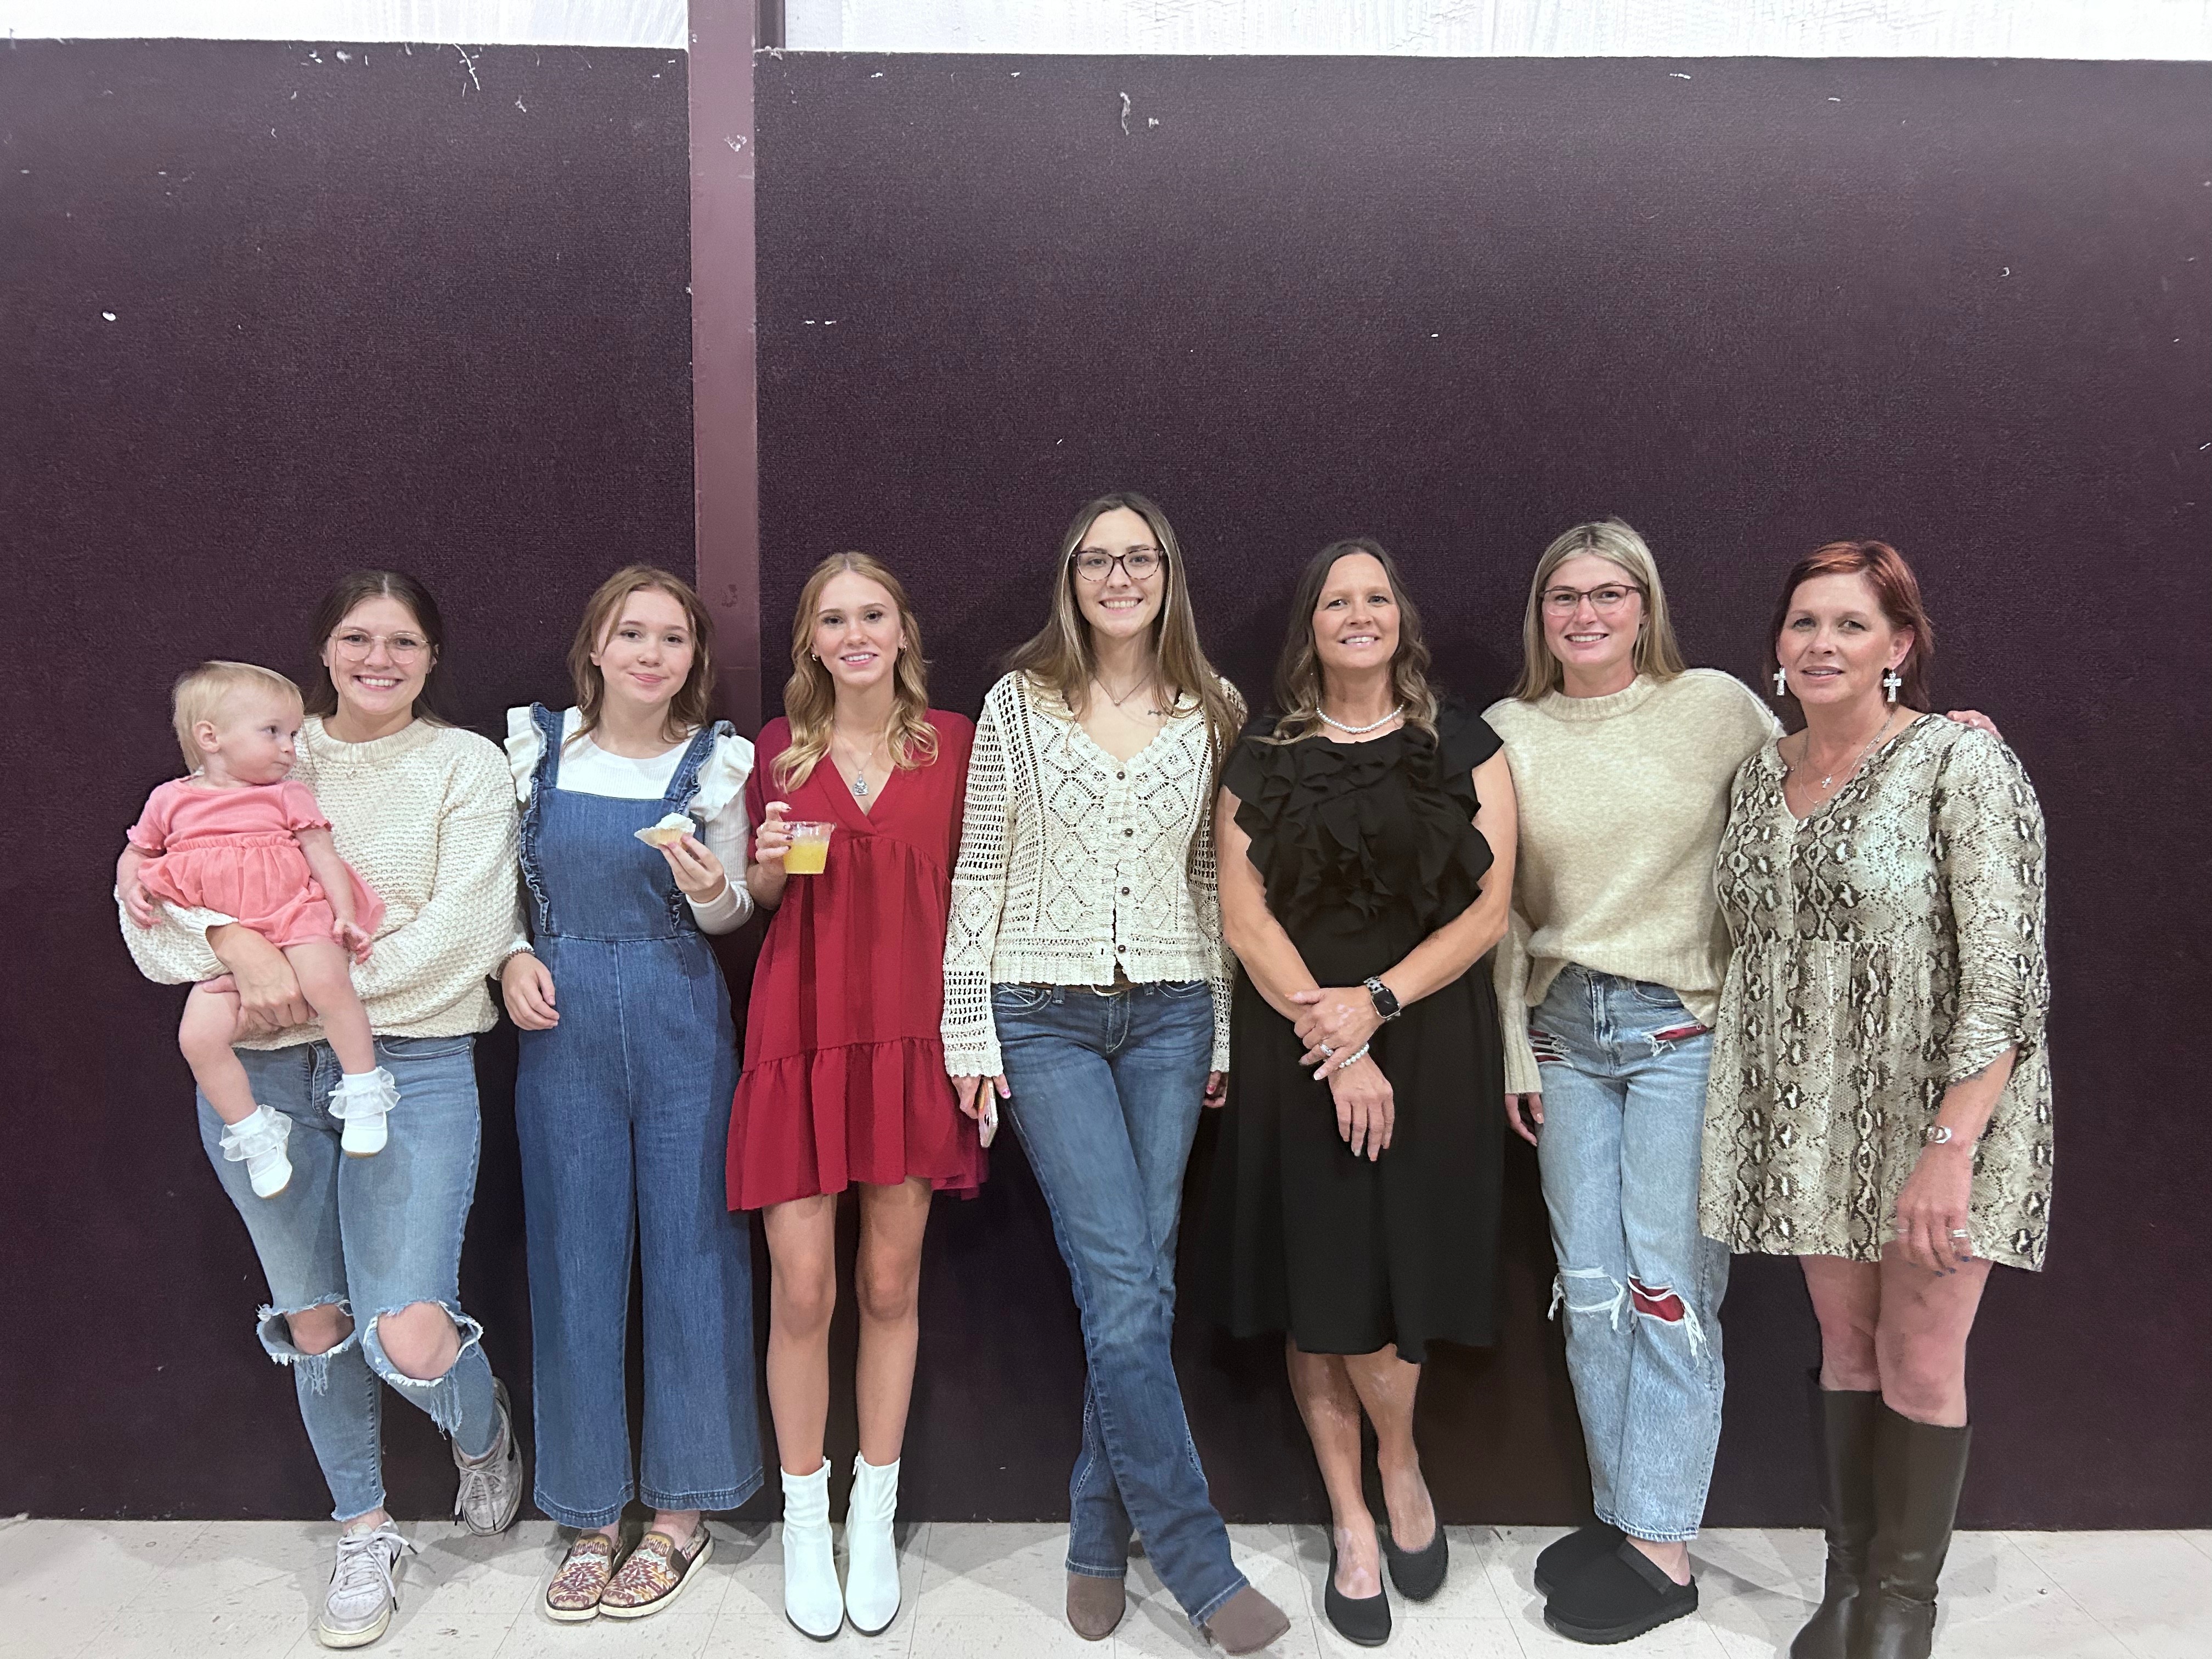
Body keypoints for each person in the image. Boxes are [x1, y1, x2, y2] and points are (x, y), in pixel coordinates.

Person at [115, 571, 525, 1651]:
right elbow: (149, 916)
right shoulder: (264, 749)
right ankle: (364, 1528)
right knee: (317, 1322)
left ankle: (480, 1424)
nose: (378, 658)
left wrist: (291, 978)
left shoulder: (465, 764)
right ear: (324, 651)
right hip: (262, 1081)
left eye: (402, 641)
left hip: (413, 1061)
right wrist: (231, 943)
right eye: (356, 638)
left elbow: (467, 933)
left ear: (431, 657)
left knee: (409, 1333)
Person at [943, 493, 1289, 1655]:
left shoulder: (1215, 706)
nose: (1120, 576)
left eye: (1139, 557)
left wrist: (1223, 1030)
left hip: (1173, 1012)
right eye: (1098, 559)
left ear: (1168, 572)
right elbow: (980, 868)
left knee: (1142, 1283)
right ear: (1072, 577)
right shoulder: (1019, 702)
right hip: (1041, 1012)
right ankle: (1195, 1557)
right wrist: (967, 1026)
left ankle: (1097, 1528)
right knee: (1124, 1282)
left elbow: (1212, 882)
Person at [1701, 540, 2052, 1659]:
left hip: (1943, 1112)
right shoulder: (1757, 775)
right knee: (1847, 1348)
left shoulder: (1961, 762)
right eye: (1803, 622)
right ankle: (1848, 1584)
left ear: (1898, 645)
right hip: (1813, 1119)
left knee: (1919, 1358)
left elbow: (2007, 975)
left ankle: (1905, 1606)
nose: (1822, 643)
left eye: (1850, 624)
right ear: (1777, 644)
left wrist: (1952, 1143)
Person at [1207, 537, 1517, 1648]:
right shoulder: (1262, 751)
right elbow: (1243, 916)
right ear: (1311, 626)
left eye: (1376, 596)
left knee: (1395, 1276)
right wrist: (1336, 1044)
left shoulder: (1464, 743)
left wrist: (1376, 1006)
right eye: (1336, 599)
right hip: (1297, 1040)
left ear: (1401, 618)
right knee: (1321, 1277)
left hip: (1429, 1037)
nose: (1358, 613)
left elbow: (1488, 911)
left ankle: (1400, 1458)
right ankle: (1349, 1516)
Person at [1486, 521, 1780, 1644]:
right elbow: (1498, 907)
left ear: (1645, 605)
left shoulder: (1713, 708)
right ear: (1541, 613)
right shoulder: (1509, 731)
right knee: (1593, 1289)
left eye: (1610, 593)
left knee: (1668, 1286)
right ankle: (1626, 1513)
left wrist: (1934, 736)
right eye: (1564, 596)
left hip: (1681, 1032)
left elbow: (1823, 780)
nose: (1587, 614)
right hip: (1565, 1031)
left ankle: (1665, 1550)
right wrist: (1513, 1044)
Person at [499, 566, 763, 1622]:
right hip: (560, 1015)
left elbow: (732, 913)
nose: (652, 653)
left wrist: (711, 888)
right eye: (632, 632)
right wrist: (511, 954)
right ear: (597, 647)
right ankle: (589, 1510)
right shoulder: (536, 748)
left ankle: (682, 1513)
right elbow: (496, 886)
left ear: (693, 656)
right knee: (574, 1254)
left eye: (672, 637)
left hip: (679, 1015)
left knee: (695, 1252)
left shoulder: (717, 763)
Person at [730, 552, 984, 1640]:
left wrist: (978, 1038)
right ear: (811, 643)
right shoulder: (777, 752)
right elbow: (762, 895)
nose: (854, 633)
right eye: (832, 619)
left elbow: (985, 892)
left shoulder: (957, 743)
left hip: (913, 1038)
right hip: (801, 1031)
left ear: (903, 628)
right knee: (801, 1290)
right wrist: (764, 864)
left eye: (872, 613)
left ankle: (871, 1517)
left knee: (888, 1282)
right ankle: (805, 1517)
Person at [121, 661, 394, 1200]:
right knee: (197, 1038)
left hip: (294, 914)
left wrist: (343, 914)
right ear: (211, 737)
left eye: (293, 734)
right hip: (229, 943)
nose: (290, 748)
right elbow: (137, 852)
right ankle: (254, 1134)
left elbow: (324, 857)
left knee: (327, 983)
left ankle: (363, 1090)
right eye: (273, 732)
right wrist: (131, 885)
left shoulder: (287, 795)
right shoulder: (170, 801)